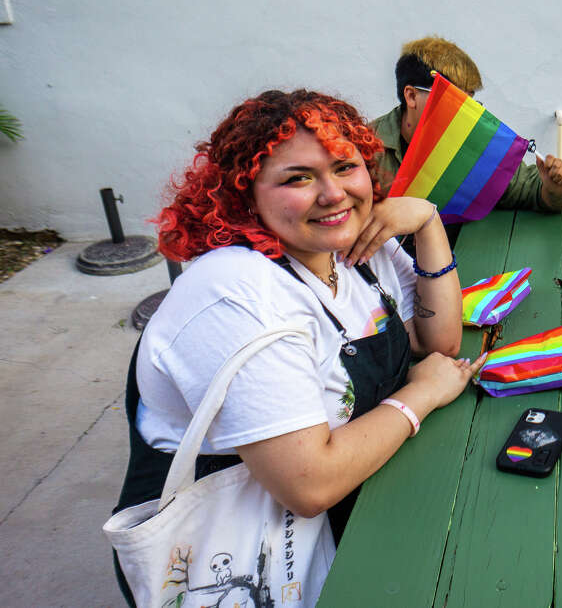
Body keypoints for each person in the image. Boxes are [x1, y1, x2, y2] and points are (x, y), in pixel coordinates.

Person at [112, 89, 484, 602]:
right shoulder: (239, 294)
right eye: (298, 178)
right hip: (240, 551)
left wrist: (427, 223)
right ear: (246, 195)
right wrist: (420, 396)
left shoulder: (349, 248)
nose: (333, 194)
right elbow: (310, 485)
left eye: (344, 167)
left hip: (345, 505)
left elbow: (437, 340)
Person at [371, 35, 562, 212]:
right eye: (452, 101)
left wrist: (555, 189)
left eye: (468, 105)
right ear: (412, 96)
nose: (463, 115)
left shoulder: (470, 142)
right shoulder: (363, 150)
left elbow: (534, 192)